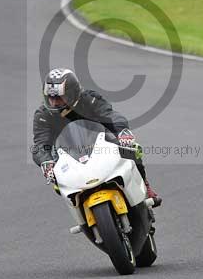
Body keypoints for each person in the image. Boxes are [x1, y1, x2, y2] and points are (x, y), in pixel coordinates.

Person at [32, 68, 162, 205]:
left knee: (133, 149)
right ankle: (81, 215)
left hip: (100, 143)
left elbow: (111, 116)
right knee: (57, 183)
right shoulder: (43, 115)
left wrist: (122, 132)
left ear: (72, 93)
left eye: (58, 97)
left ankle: (145, 187)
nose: (54, 102)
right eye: (50, 97)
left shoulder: (89, 99)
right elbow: (40, 143)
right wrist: (46, 161)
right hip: (66, 154)